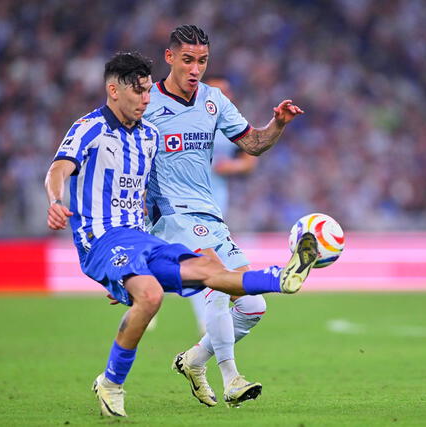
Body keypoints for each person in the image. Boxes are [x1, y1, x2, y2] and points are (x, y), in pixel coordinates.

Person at [44, 52, 318, 418]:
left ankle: (280, 278)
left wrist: (131, 269)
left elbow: (145, 196)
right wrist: (55, 199)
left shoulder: (148, 137)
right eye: (139, 92)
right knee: (162, 293)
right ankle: (119, 382)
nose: (145, 99)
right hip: (104, 236)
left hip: (144, 236)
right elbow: (59, 168)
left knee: (211, 272)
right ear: (114, 90)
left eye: (146, 92)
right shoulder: (89, 127)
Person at [143, 25, 305, 408]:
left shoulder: (213, 101)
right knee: (217, 281)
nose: (195, 68)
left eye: (202, 61)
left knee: (252, 306)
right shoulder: (147, 102)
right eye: (187, 60)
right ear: (169, 58)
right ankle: (232, 378)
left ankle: (195, 360)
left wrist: (278, 124)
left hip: (210, 215)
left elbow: (254, 144)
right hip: (170, 216)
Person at [186, 75, 258, 335]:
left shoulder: (231, 126)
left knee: (206, 264)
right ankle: (207, 324)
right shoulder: (185, 122)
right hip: (185, 208)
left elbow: (250, 158)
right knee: (202, 262)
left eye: (226, 91)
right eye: (217, 91)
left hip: (217, 206)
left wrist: (233, 166)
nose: (222, 96)